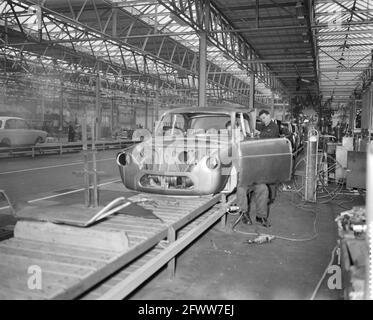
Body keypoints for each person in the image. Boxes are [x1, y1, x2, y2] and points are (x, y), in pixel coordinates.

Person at [237, 109, 280, 227]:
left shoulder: (273, 127)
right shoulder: (236, 146)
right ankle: (244, 213)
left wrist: (258, 134)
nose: (263, 120)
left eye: (264, 118)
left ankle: (261, 217)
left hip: (255, 172)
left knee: (263, 188)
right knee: (241, 188)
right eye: (261, 118)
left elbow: (269, 137)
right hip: (243, 178)